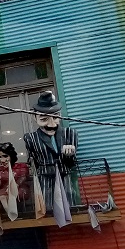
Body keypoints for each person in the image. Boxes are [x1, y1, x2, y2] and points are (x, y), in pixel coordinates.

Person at [22, 91, 79, 227]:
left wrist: (70, 155)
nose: (51, 124)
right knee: (48, 205)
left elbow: (72, 164)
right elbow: (33, 161)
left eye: (55, 117)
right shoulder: (30, 138)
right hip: (45, 177)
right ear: (35, 117)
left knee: (69, 201)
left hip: (65, 175)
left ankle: (70, 213)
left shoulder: (70, 133)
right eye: (44, 119)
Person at [0, 142, 31, 221]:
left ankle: (16, 213)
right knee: (1, 195)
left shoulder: (21, 166)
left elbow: (23, 176)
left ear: (11, 156)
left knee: (11, 192)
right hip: (5, 190)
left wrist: (15, 185)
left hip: (20, 189)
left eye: (5, 156)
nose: (2, 160)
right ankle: (11, 214)